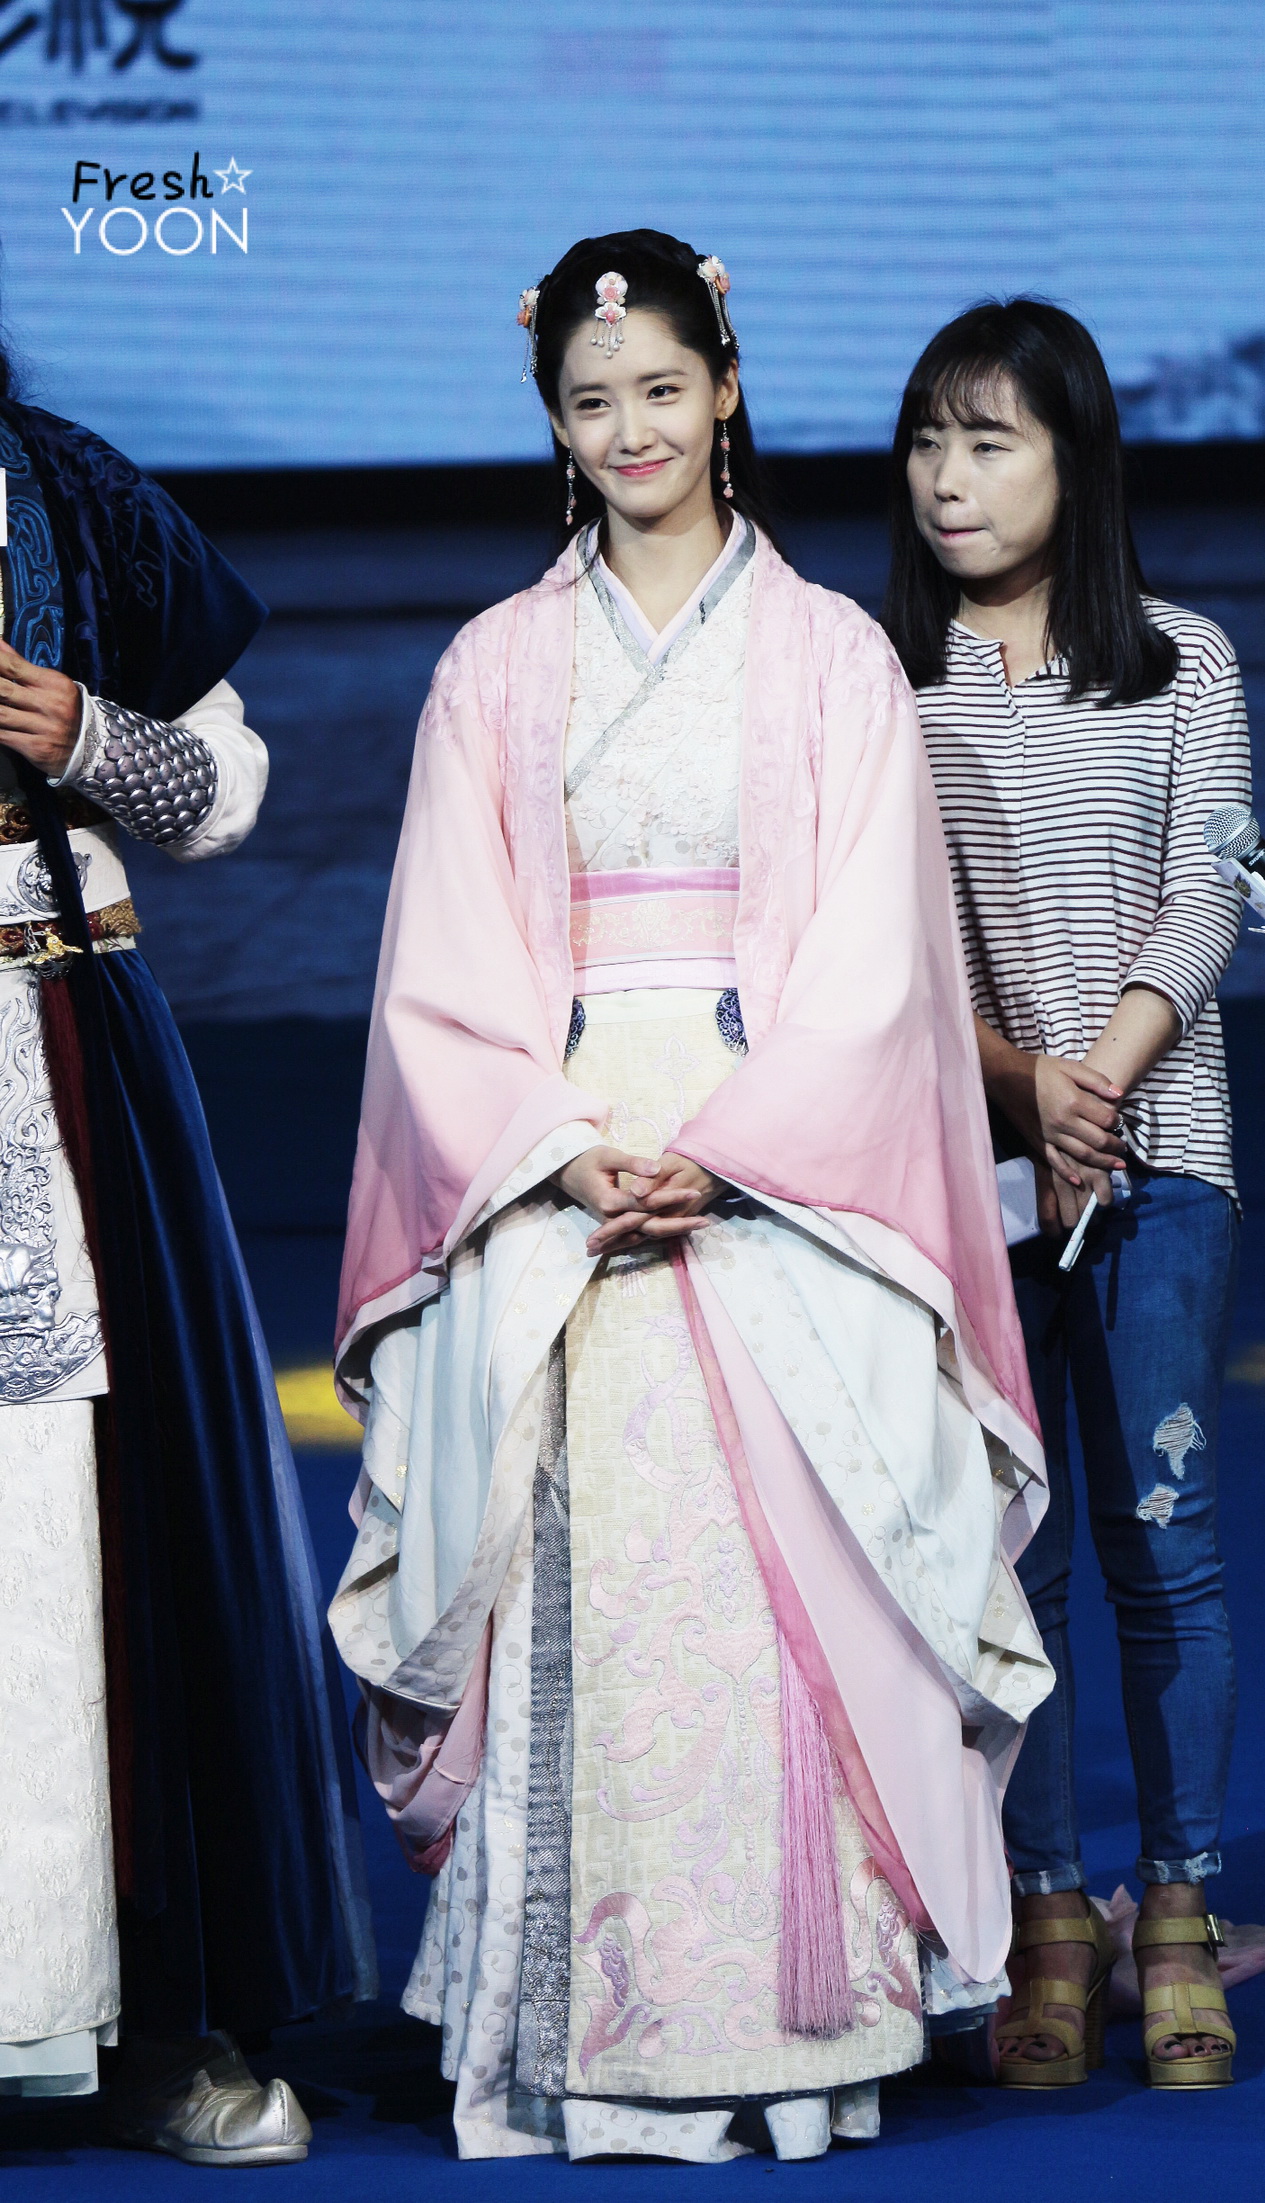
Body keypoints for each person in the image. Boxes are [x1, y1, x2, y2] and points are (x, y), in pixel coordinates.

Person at [330, 230, 1053, 2163]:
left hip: (774, 1161)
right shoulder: (495, 666)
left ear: (725, 391)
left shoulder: (829, 657)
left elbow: (881, 968)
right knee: (577, 1561)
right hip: (565, 1153)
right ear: (554, 424)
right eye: (593, 402)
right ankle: (579, 2032)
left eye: (663, 388)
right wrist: (558, 1146)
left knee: (780, 1565)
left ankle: (790, 2022)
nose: (631, 429)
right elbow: (442, 968)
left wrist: (733, 1145)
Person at [0, 367, 375, 2155]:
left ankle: (150, 2019)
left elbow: (226, 785)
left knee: (112, 1524)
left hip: (65, 1041)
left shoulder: (70, 493)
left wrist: (87, 733)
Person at [886, 297, 1247, 2091]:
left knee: (1162, 1543)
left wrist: (1092, 1079)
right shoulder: (882, 679)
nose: (946, 479)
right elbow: (897, 941)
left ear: (1072, 458)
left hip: (1162, 1159)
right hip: (970, 1170)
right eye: (927, 441)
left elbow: (1209, 891)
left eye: (989, 440)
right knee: (1004, 1556)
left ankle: (1172, 1910)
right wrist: (1020, 1094)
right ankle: (1043, 1913)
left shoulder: (1183, 659)